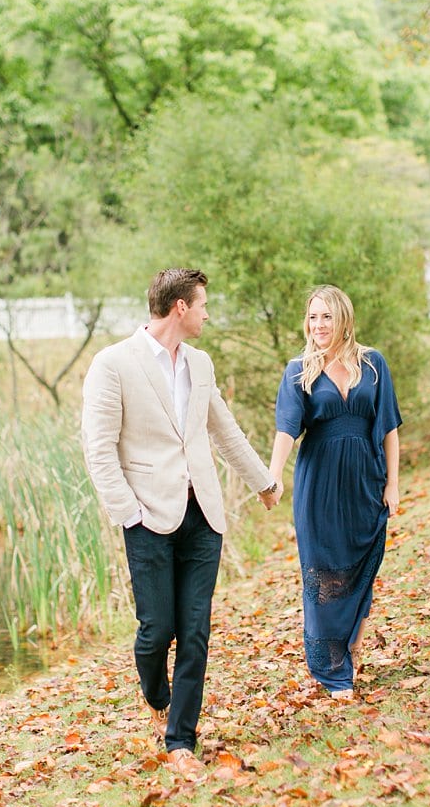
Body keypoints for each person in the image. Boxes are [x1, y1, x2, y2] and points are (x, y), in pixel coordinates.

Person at [81, 268, 280, 778]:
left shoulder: (201, 364)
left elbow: (223, 430)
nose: (209, 313)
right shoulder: (112, 364)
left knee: (194, 632)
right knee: (157, 631)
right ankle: (157, 696)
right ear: (180, 308)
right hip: (147, 516)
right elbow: (98, 450)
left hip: (202, 516)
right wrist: (128, 513)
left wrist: (263, 482)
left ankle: (181, 739)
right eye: (203, 304)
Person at [268, 285, 402, 701]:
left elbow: (390, 427)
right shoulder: (298, 370)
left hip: (365, 479)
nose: (319, 325)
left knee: (362, 567)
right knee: (323, 575)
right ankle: (330, 669)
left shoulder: (372, 363)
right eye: (313, 317)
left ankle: (351, 647)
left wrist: (393, 483)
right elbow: (287, 428)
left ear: (342, 317)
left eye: (326, 316)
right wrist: (273, 476)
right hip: (319, 484)